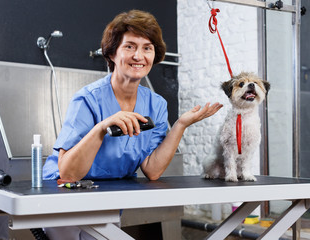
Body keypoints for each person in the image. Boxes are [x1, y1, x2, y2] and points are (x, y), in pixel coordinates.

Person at [42, 9, 222, 239]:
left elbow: (152, 169)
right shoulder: (87, 99)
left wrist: (180, 126)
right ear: (112, 53)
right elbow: (68, 173)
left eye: (147, 48)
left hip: (110, 195)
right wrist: (101, 128)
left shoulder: (155, 104)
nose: (139, 55)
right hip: (64, 194)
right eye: (130, 46)